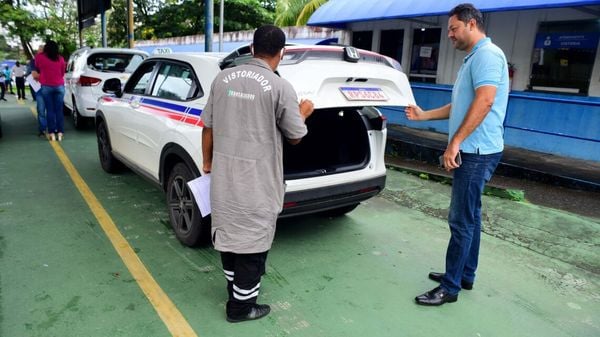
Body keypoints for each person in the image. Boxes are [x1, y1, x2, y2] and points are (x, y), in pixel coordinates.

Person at [201, 25, 314, 323]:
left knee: (227, 235)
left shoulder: (222, 78)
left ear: (251, 49)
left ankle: (234, 289)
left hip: (224, 177)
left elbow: (208, 126)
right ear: (282, 53)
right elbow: (295, 136)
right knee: (253, 242)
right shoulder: (280, 87)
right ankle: (241, 308)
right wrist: (303, 111)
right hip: (258, 181)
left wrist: (207, 162)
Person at [407, 3, 509, 306]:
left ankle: (450, 288)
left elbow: (486, 101)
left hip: (476, 152)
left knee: (461, 221)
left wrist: (455, 144)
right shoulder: (473, 58)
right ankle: (465, 275)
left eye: (453, 29)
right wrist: (424, 116)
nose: (449, 35)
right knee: (471, 218)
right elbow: (462, 106)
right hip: (476, 148)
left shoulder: (488, 56)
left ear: (472, 24)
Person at [35, 40, 65, 141]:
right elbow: (62, 73)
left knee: (50, 110)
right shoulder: (60, 58)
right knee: (59, 110)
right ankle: (60, 132)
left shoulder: (40, 57)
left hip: (46, 87)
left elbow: (38, 67)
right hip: (59, 86)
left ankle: (52, 133)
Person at [30, 45, 46, 136]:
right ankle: (43, 129)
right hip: (39, 88)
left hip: (49, 86)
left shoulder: (50, 60)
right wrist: (48, 76)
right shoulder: (34, 61)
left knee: (51, 109)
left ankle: (53, 128)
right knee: (41, 109)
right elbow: (34, 75)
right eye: (40, 51)